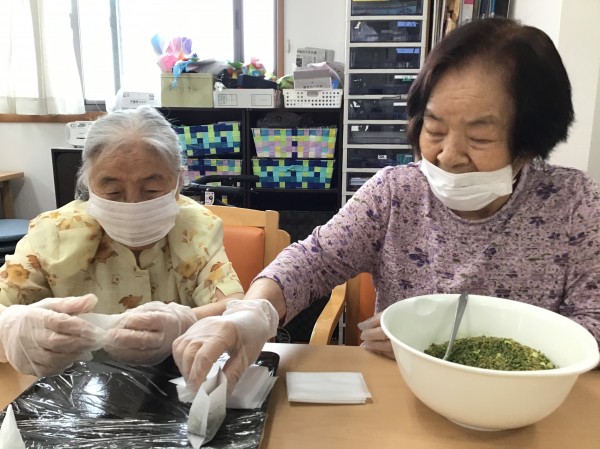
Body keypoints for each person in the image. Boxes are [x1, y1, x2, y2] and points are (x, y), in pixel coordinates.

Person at [172, 17, 600, 389]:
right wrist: (254, 313)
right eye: (434, 130)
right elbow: (313, 261)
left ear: (531, 143)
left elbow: (592, 329)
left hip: (532, 410)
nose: (448, 155)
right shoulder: (397, 192)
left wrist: (433, 344)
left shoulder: (574, 205)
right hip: (405, 398)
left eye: (480, 138)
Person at [0, 105, 279, 380]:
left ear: (178, 182)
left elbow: (232, 306)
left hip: (173, 383)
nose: (133, 204)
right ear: (88, 184)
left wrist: (184, 322)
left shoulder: (196, 227)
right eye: (113, 191)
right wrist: (11, 328)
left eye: (151, 190)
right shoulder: (52, 233)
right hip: (70, 388)